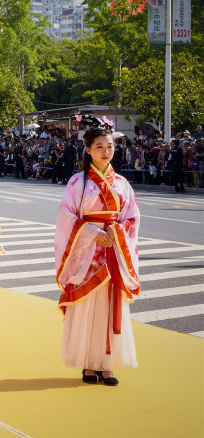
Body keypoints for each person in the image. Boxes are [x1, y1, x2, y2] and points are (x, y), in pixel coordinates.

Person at [56, 122, 140, 386]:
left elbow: (132, 216)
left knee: (109, 306)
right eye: (100, 147)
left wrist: (118, 232)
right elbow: (67, 217)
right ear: (89, 150)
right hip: (88, 253)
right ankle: (88, 365)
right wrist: (93, 233)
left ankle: (106, 365)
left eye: (110, 147)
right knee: (88, 307)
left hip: (113, 248)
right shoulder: (78, 182)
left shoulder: (122, 183)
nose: (106, 152)